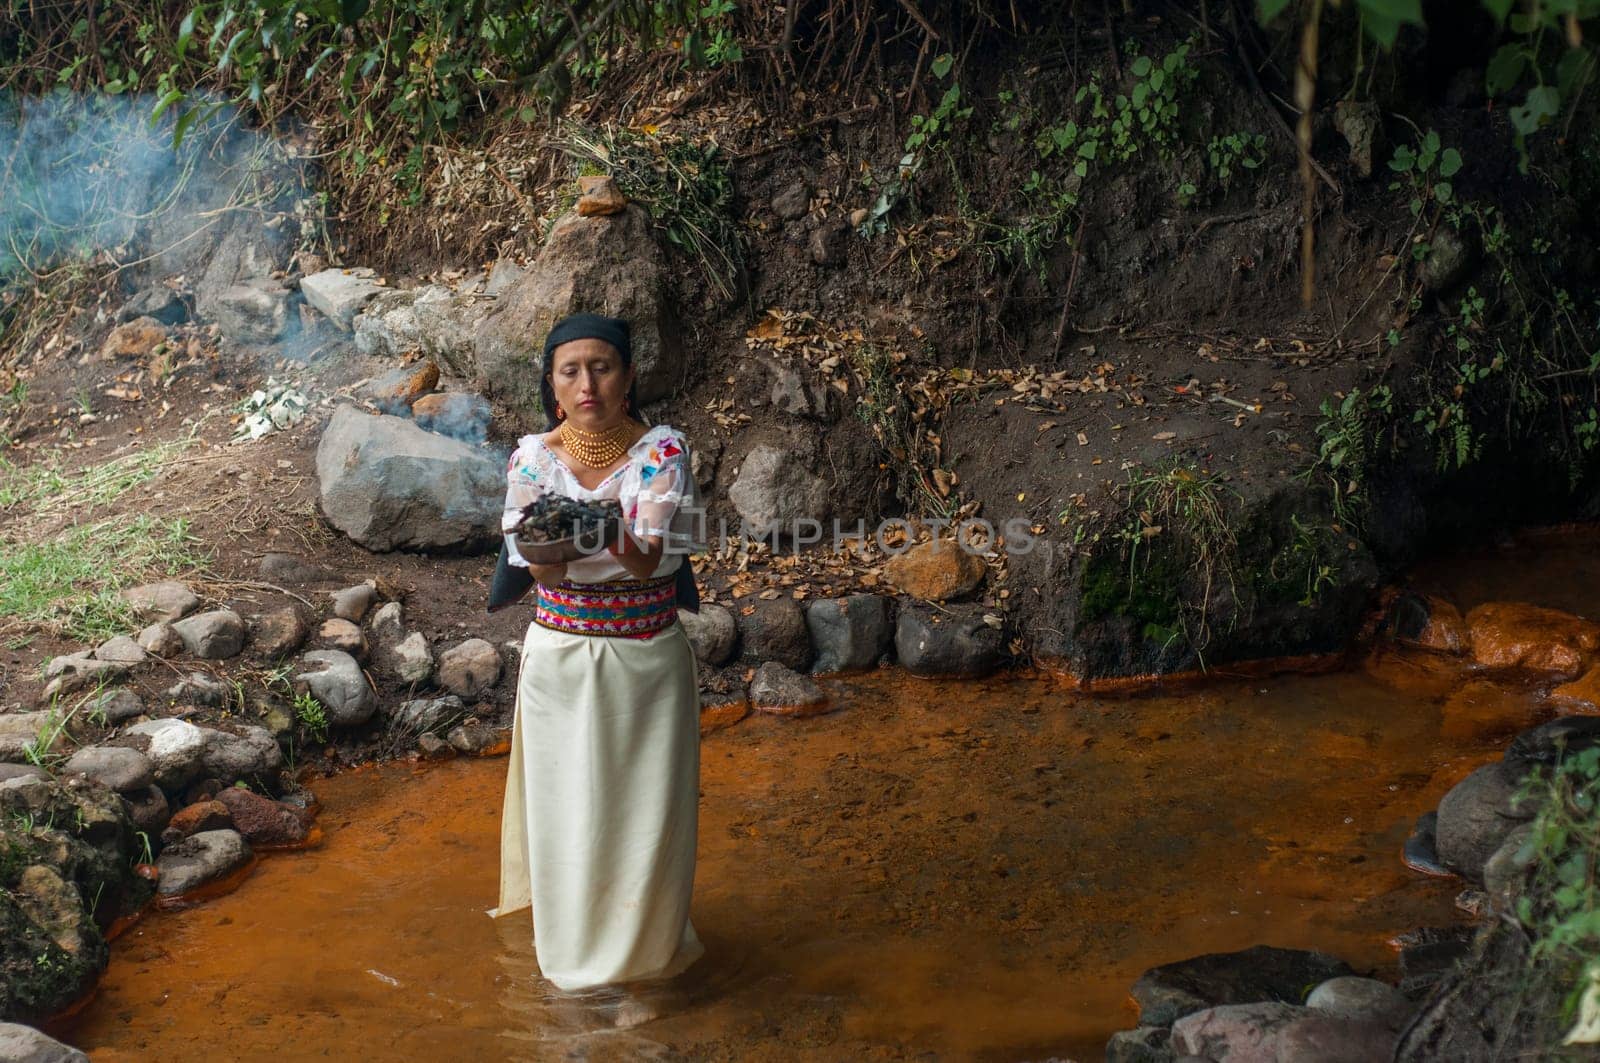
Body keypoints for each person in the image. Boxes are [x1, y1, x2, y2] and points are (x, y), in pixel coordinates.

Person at [487, 312, 704, 995]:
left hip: (646, 662)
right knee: (569, 817)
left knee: (643, 823)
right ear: (553, 387)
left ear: (630, 375)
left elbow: (644, 563)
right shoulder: (532, 458)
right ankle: (575, 971)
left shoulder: (663, 453)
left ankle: (642, 973)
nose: (588, 383)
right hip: (560, 661)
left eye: (603, 366)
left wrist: (592, 526)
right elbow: (543, 571)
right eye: (571, 370)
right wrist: (577, 533)